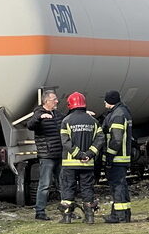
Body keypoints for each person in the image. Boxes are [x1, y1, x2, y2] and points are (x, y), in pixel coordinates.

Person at [58, 91, 100, 224]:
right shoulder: (93, 121)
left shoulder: (66, 121)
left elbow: (65, 142)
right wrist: (89, 154)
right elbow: (100, 139)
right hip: (87, 163)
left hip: (70, 163)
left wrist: (78, 155)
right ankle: (89, 217)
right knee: (87, 188)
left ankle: (66, 217)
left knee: (68, 188)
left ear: (70, 105)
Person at [24, 90, 63, 220]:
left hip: (59, 153)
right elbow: (30, 125)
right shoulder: (39, 113)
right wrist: (39, 117)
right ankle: (40, 212)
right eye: (54, 99)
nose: (57, 101)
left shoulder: (56, 114)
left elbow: (66, 120)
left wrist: (82, 113)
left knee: (63, 184)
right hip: (47, 155)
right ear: (46, 101)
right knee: (44, 184)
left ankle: (67, 210)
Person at [97, 90, 133, 223]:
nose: (104, 102)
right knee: (121, 186)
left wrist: (109, 156)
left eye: (105, 100)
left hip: (117, 158)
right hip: (122, 157)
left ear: (109, 101)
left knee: (117, 186)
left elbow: (116, 139)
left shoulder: (117, 115)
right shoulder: (123, 112)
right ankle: (125, 214)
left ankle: (118, 216)